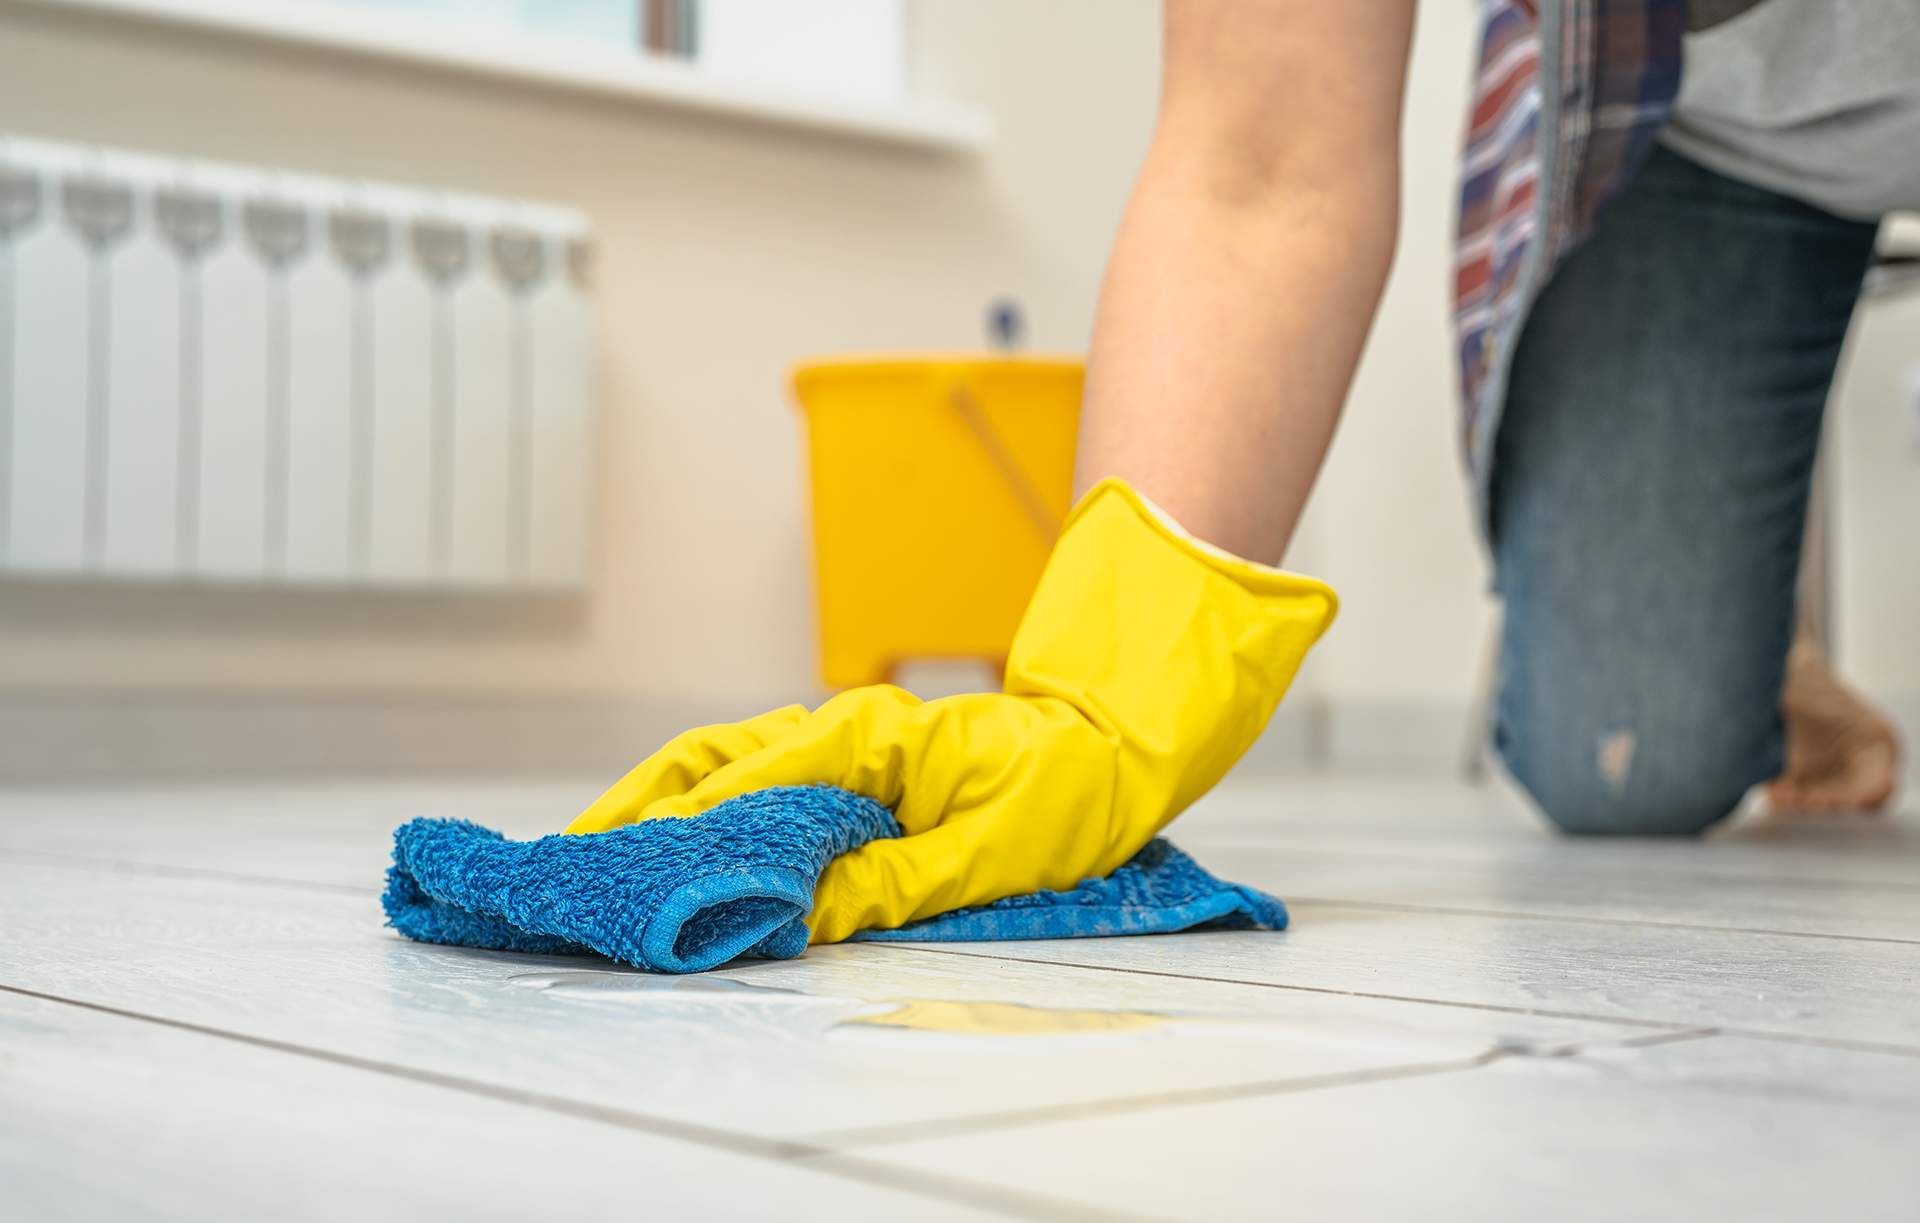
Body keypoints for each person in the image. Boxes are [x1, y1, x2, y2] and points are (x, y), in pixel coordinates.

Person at [569, 0, 1905, 940]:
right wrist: (1100, 711)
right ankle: (1751, 656)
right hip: (1709, 132)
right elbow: (1266, 157)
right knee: (1626, 766)